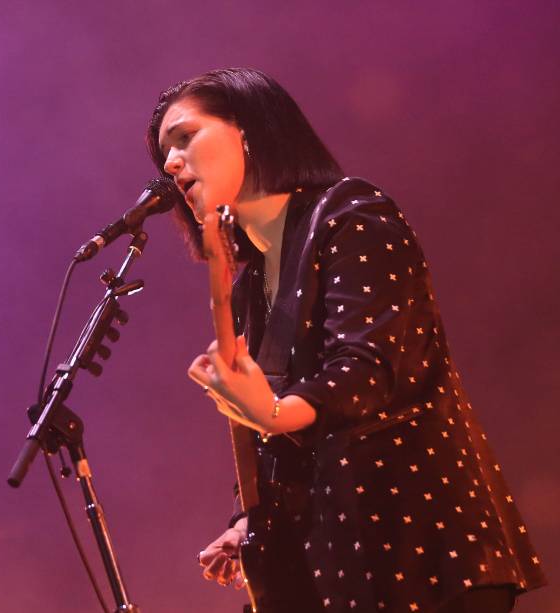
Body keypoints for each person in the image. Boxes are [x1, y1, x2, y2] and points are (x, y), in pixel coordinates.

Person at [147, 68, 546, 612]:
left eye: (184, 137)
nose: (170, 164)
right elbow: (277, 433)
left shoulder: (352, 214)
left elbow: (366, 367)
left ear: (249, 129)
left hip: (420, 548)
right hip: (333, 561)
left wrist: (272, 413)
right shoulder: (248, 285)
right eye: (163, 154)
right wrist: (249, 519)